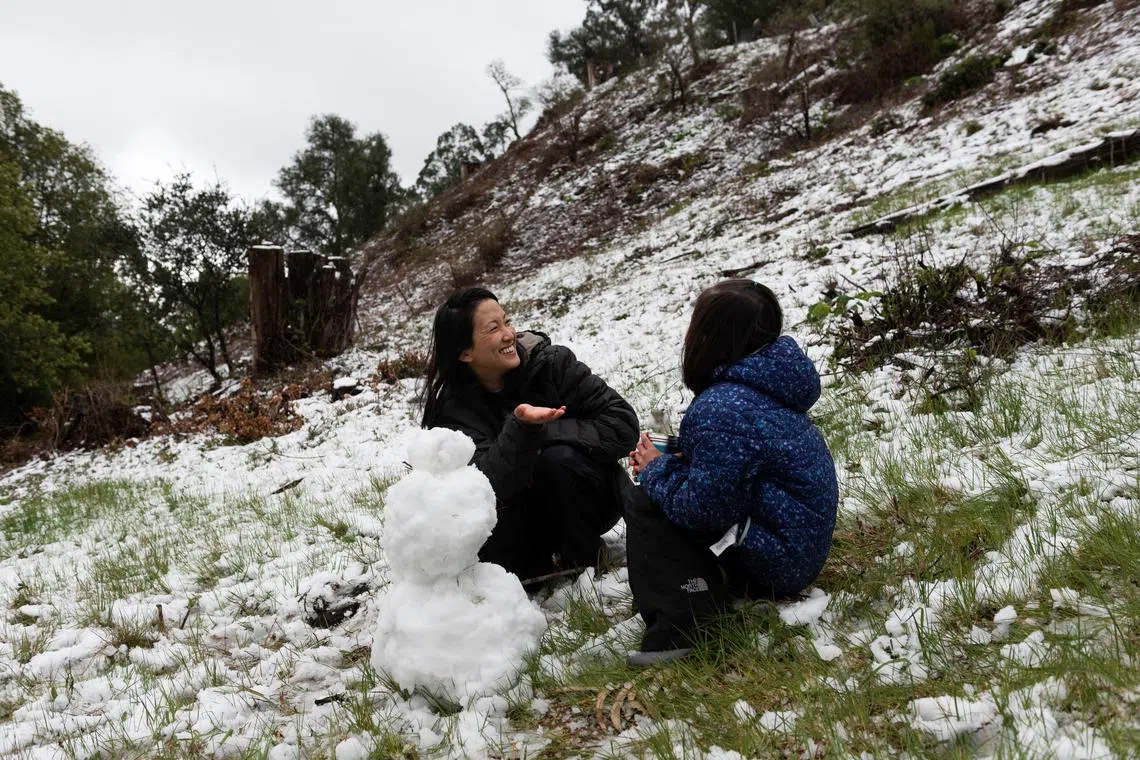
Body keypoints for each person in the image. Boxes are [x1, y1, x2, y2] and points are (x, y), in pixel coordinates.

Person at [625, 279, 838, 666]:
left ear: (710, 337)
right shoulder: (766, 381)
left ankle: (682, 628)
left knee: (646, 499)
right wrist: (672, 453)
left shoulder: (723, 407)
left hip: (780, 561)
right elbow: (737, 460)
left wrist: (655, 470)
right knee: (666, 480)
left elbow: (705, 510)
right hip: (796, 543)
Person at [421, 287, 639, 582]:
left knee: (558, 459)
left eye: (507, 321)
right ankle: (535, 567)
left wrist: (546, 431)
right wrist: (522, 430)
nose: (509, 334)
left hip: (589, 501)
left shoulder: (551, 365)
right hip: (517, 525)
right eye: (493, 328)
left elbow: (622, 424)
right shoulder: (451, 411)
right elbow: (481, 486)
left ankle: (585, 563)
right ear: (465, 352)